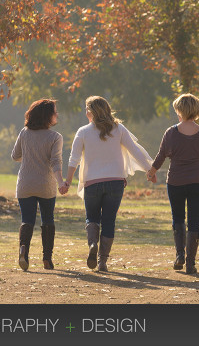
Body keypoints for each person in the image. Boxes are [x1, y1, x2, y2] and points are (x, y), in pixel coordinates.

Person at [63, 96, 154, 272]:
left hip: (92, 183)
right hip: (115, 183)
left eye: (86, 109)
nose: (85, 112)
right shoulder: (118, 129)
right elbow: (135, 150)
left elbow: (73, 160)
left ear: (90, 111)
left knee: (92, 217)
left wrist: (67, 181)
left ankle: (92, 245)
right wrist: (149, 170)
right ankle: (103, 262)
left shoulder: (82, 131)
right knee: (109, 221)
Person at [147, 93, 199, 274]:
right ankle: (191, 263)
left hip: (175, 182)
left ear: (179, 111)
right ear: (196, 111)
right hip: (197, 182)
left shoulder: (171, 133)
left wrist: (152, 171)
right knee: (194, 221)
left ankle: (179, 255)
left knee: (177, 218)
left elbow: (161, 155)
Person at [11, 98, 66, 271]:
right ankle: (47, 259)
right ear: (48, 116)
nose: (57, 114)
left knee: (27, 219)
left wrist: (29, 156)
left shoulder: (24, 132)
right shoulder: (55, 137)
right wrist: (60, 182)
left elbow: (15, 156)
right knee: (47, 219)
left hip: (25, 183)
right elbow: (56, 162)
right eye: (55, 112)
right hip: (45, 184)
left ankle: (23, 250)